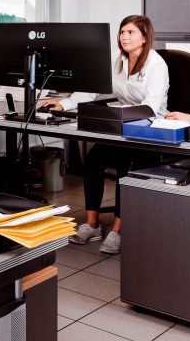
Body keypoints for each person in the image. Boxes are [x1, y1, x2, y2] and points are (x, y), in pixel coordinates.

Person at [41, 15, 169, 254]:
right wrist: (64, 104)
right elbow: (91, 91)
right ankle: (92, 224)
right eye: (122, 32)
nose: (124, 37)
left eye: (131, 32)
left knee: (124, 167)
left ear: (144, 37)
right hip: (120, 128)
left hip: (149, 132)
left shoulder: (156, 64)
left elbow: (151, 107)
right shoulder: (117, 60)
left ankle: (118, 230)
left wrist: (117, 115)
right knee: (93, 160)